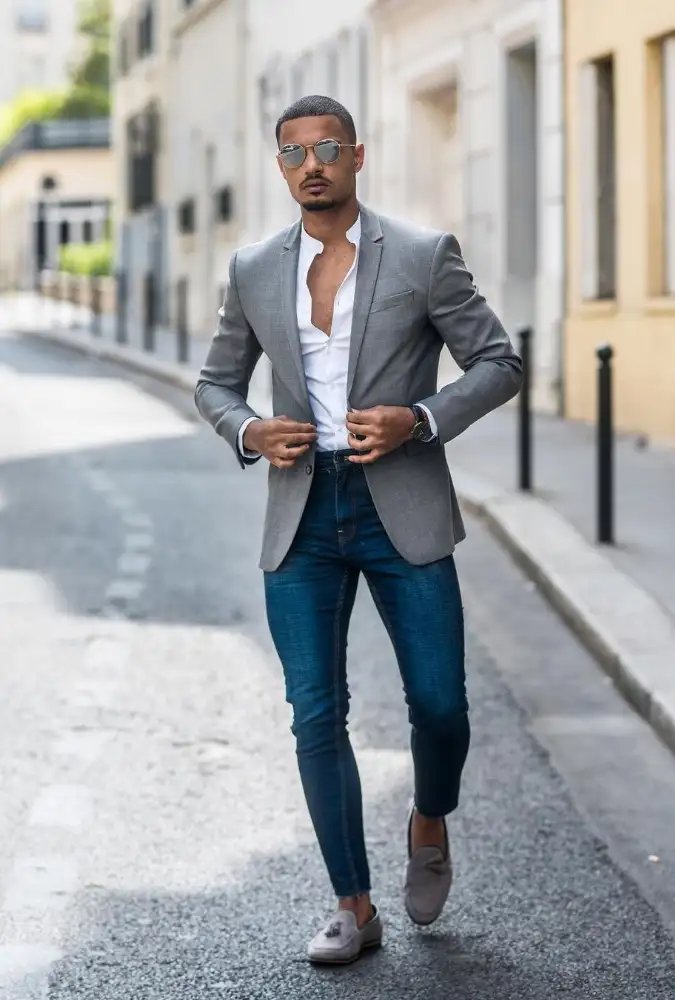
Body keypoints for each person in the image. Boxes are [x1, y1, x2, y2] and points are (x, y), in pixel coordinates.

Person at [195, 94, 522, 965]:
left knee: (441, 706)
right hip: (302, 512)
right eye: (295, 151)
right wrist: (247, 431)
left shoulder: (420, 256)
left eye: (328, 148)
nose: (313, 164)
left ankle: (428, 816)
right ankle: (353, 905)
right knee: (315, 715)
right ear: (281, 166)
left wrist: (419, 418)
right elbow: (217, 383)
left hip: (400, 506)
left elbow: (500, 362)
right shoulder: (254, 267)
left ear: (357, 157)